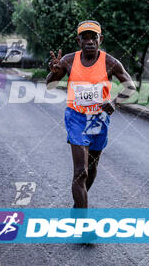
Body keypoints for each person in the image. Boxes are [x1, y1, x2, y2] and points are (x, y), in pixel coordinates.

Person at [46, 20, 135, 209]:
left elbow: (131, 87)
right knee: (81, 172)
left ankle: (78, 207)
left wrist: (114, 102)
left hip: (99, 119)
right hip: (76, 117)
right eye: (84, 38)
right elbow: (50, 84)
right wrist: (53, 72)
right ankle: (82, 223)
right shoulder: (68, 60)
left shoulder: (110, 62)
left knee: (92, 168)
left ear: (100, 39)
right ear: (78, 41)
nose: (89, 42)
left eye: (93, 37)